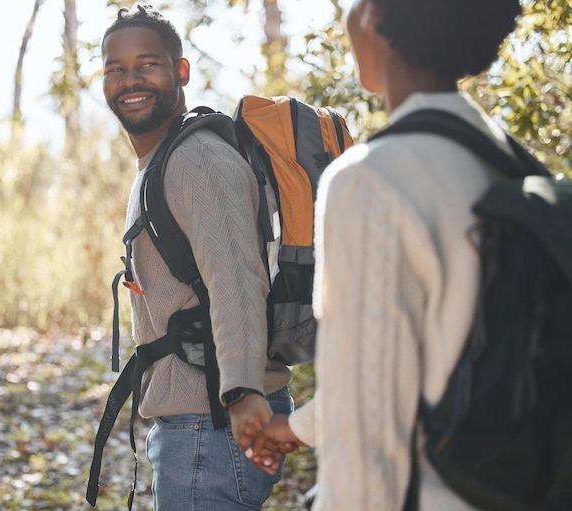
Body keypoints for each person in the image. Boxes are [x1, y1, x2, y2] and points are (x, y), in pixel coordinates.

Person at [248, 0, 523, 509]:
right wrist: (301, 428)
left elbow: (367, 411)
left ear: (373, 16)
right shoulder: (510, 161)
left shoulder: (369, 179)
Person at [100, 5, 293, 510]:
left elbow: (236, 279)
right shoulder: (162, 160)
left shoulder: (198, 162)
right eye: (116, 68)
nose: (130, 79)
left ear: (181, 71)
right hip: (197, 426)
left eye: (148, 64)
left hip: (211, 427)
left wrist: (242, 391)